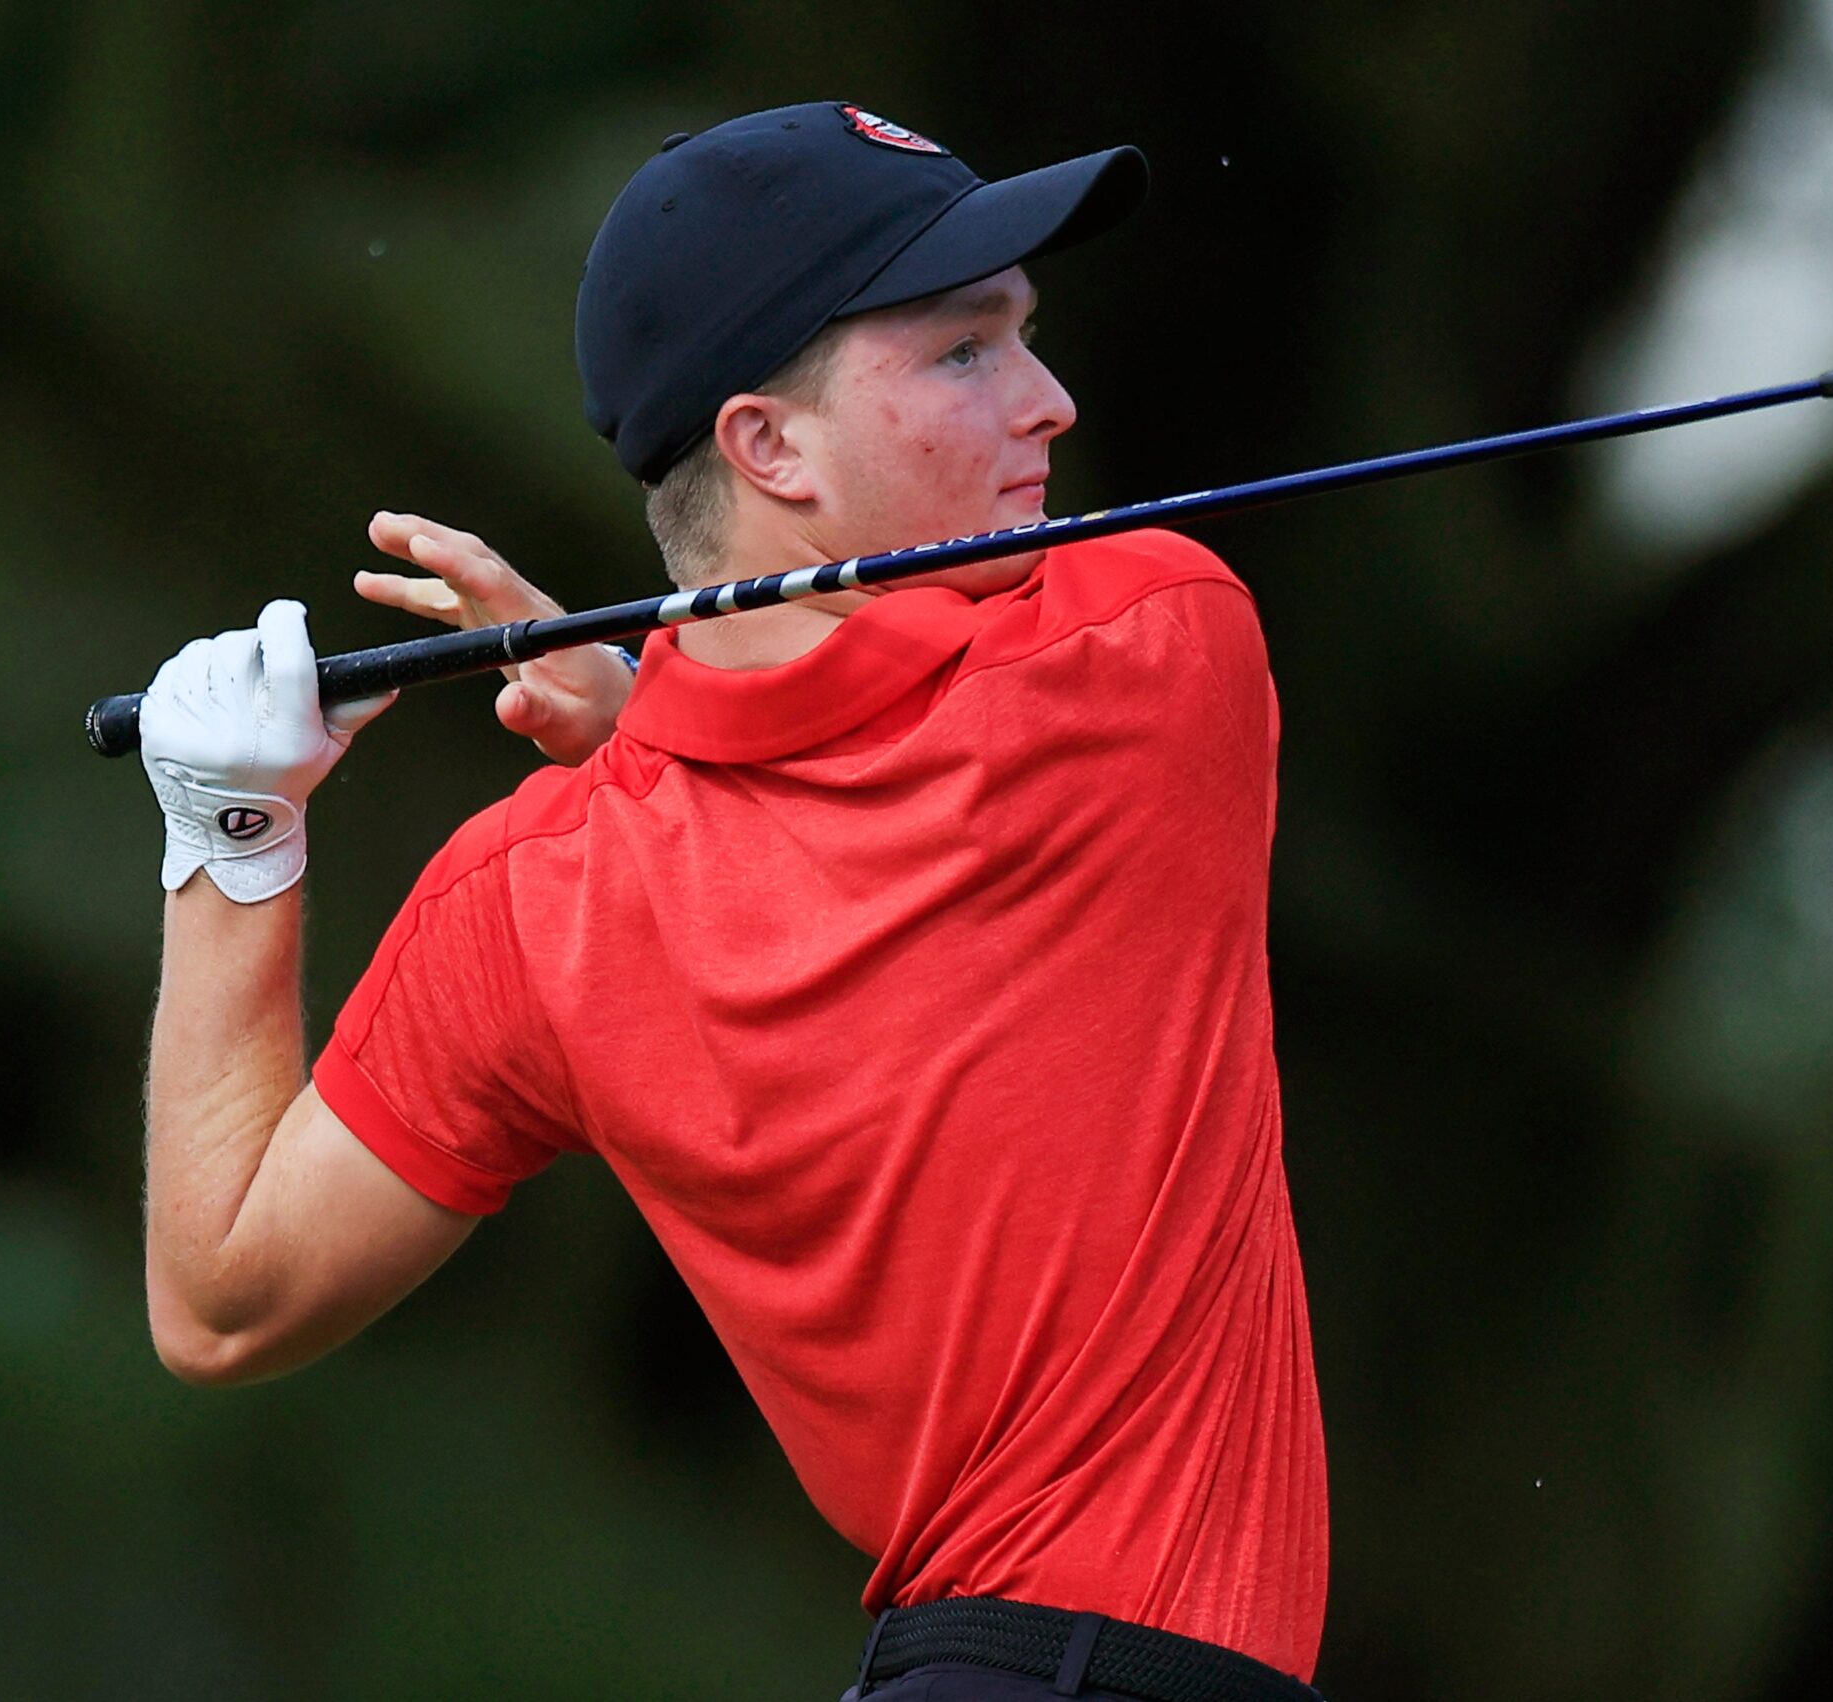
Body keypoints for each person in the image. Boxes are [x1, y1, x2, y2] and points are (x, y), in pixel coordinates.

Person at [134, 102, 1327, 1702]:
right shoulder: (1156, 645)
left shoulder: (541, 897)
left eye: (1025, 339)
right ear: (769, 447)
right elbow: (881, 778)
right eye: (966, 354)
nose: (1051, 403)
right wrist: (644, 710)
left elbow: (221, 1296)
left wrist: (233, 839)